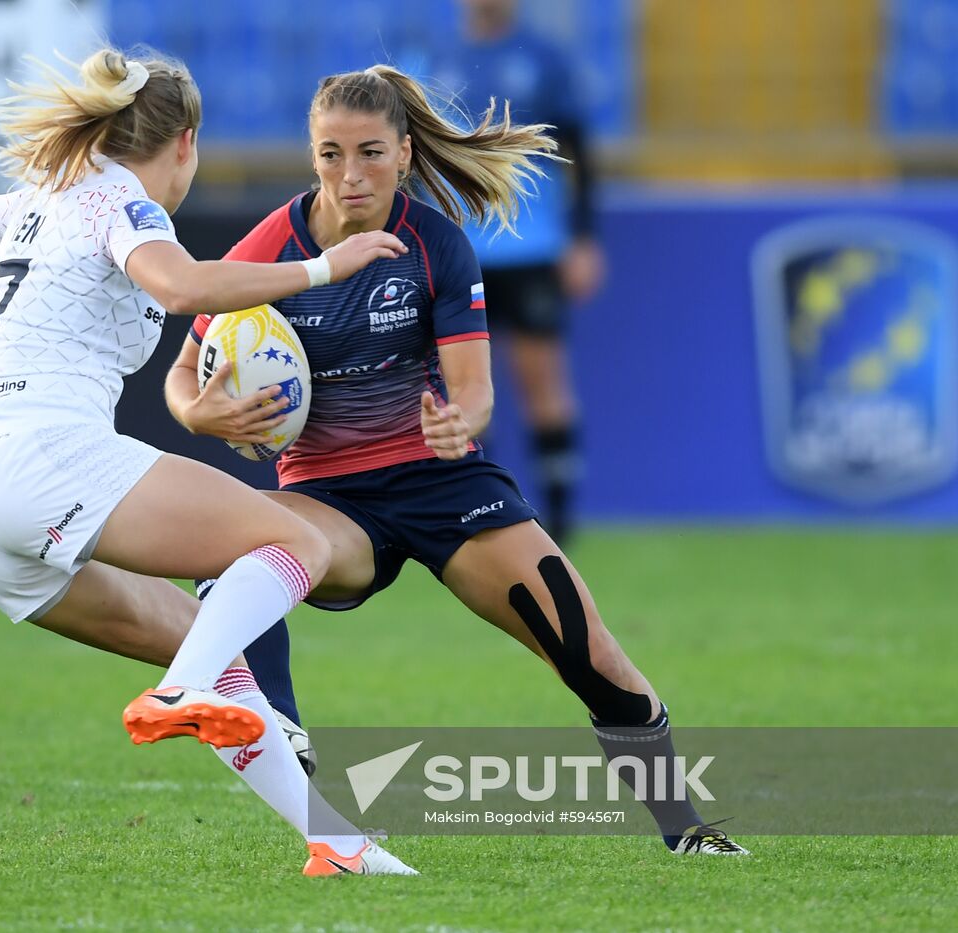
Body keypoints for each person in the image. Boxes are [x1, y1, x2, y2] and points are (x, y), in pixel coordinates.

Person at [167, 64, 747, 856]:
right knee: (237, 546)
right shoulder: (275, 245)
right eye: (330, 154)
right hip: (330, 501)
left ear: (404, 154)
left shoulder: (434, 243)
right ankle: (282, 729)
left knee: (583, 644)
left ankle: (686, 831)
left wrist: (455, 424)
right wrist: (199, 410)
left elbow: (474, 395)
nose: (349, 174)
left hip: (445, 483)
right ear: (311, 155)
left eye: (369, 152)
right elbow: (184, 369)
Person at [0, 47, 417, 875]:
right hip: (49, 454)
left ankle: (339, 845)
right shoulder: (124, 200)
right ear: (184, 141)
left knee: (219, 649)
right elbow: (179, 286)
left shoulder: (42, 197)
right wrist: (325, 265)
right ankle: (182, 689)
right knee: (303, 547)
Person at [417, 0, 606, 547]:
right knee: (464, 383)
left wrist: (584, 238)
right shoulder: (429, 59)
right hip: (456, 250)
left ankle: (562, 524)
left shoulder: (544, 59)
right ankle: (485, 507)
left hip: (532, 246)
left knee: (541, 378)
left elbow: (580, 154)